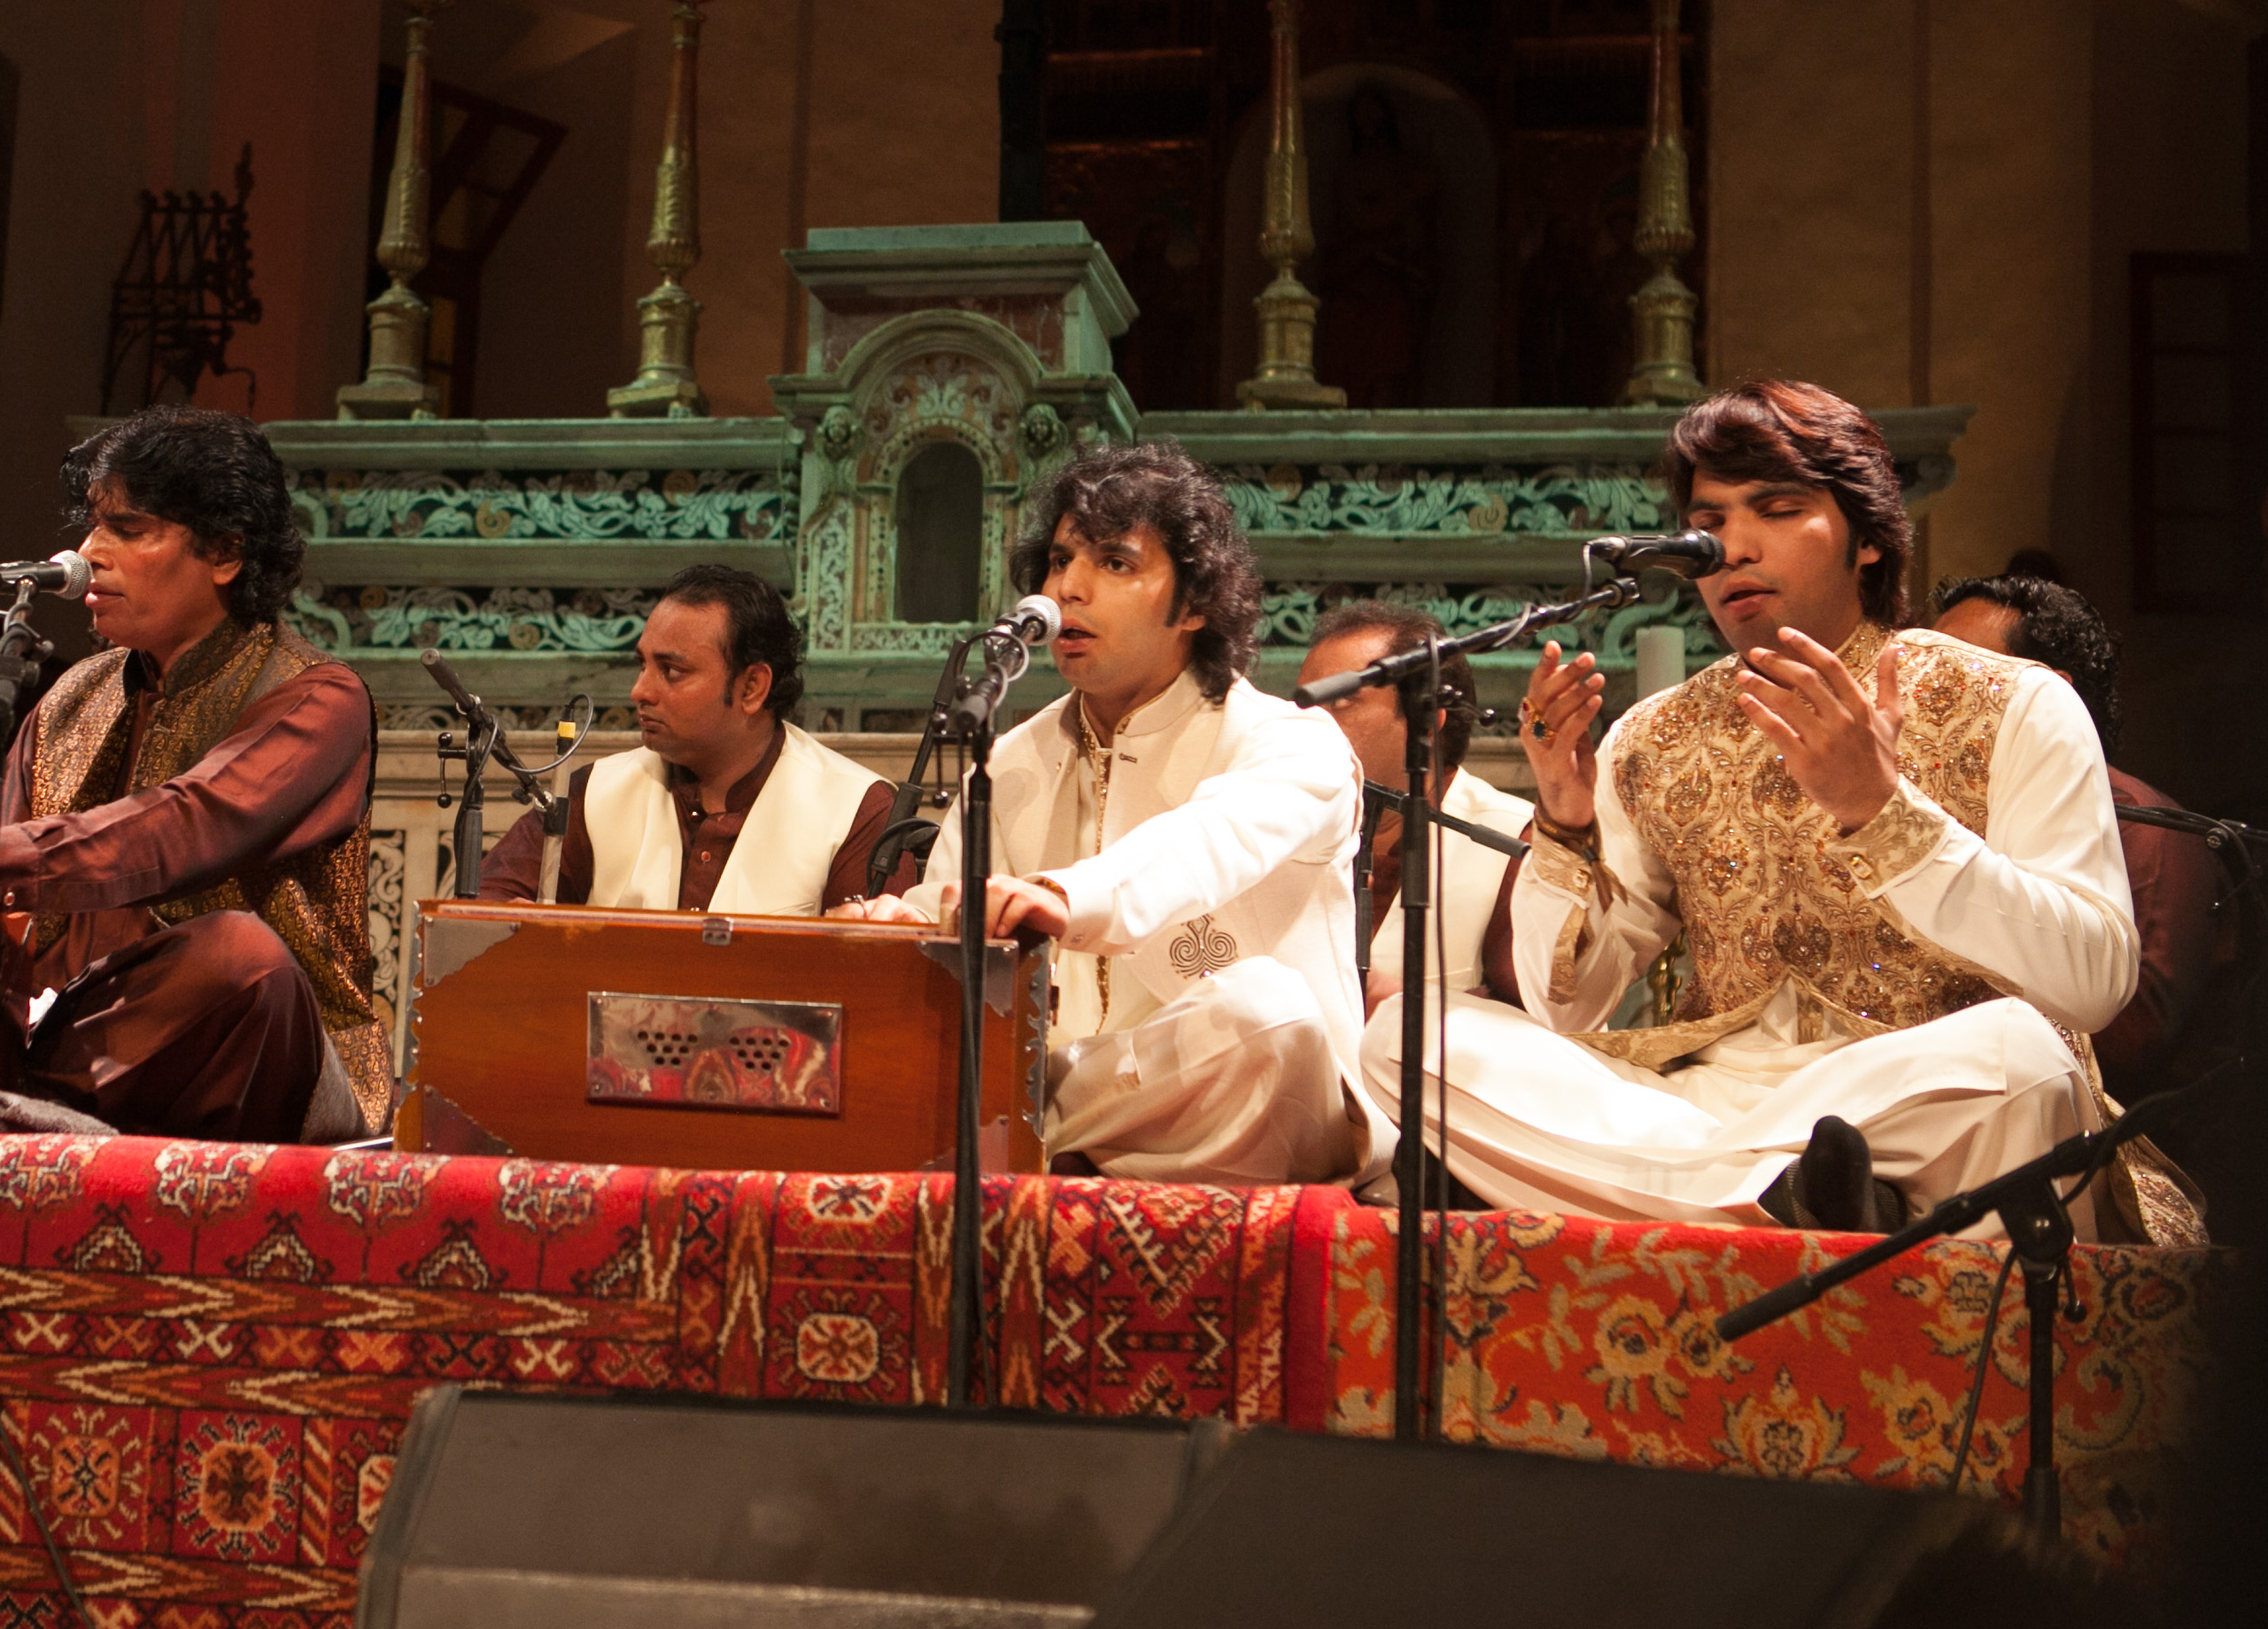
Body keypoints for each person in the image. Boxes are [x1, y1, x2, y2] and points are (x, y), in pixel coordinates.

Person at [1453, 380, 2184, 1240]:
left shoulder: (2014, 703)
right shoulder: (1651, 740)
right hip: (1718, 1106)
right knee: (1422, 1042)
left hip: (1926, 1102)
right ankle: (1787, 1198)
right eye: (1710, 520)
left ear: (1869, 540)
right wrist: (1567, 821)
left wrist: (1883, 814)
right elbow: (1564, 1009)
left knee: (2023, 1063)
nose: (1729, 547)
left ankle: (1737, 1200)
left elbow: (2094, 981)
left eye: (1775, 508)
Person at [0, 407, 383, 1143]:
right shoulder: (72, 696)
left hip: (260, 1054)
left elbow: (191, 825)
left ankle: (15, 1106)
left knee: (241, 959)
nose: (88, 553)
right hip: (73, 1037)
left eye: (129, 529)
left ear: (223, 554)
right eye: (93, 525)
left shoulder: (317, 696)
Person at [837, 442, 1374, 1185]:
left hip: (1249, 1109)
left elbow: (1207, 841)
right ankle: (1066, 1146)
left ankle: (1038, 1140)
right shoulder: (1010, 764)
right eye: (1060, 561)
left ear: (1194, 604)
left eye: (1115, 563)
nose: (1068, 592)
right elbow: (959, 910)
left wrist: (1060, 898)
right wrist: (893, 928)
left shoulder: (1289, 742)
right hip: (1064, 1092)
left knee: (1267, 1011)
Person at [1931, 568, 2226, 1100]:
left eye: (1956, 677)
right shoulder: (1920, 806)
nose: (1923, 692)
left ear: (2049, 696)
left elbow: (2132, 1041)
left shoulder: (2143, 825)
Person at [474, 564, 909, 914]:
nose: (640, 691)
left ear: (752, 687)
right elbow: (482, 914)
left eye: (672, 671)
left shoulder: (858, 812)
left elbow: (874, 989)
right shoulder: (594, 793)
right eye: (642, 664)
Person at [1298, 602, 1531, 1031]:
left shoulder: (1513, 839)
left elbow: (1549, 1031)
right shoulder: (1280, 830)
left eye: (1341, 701)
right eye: (1305, 704)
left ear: (1426, 725)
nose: (1309, 724)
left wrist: (1402, 1011)